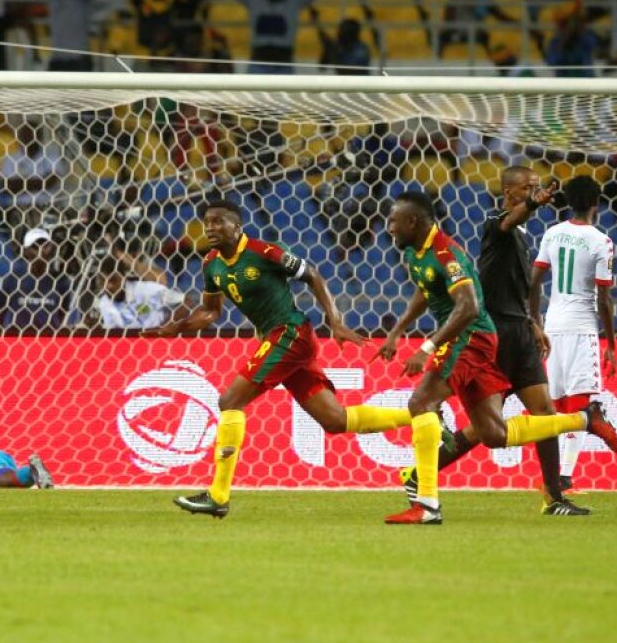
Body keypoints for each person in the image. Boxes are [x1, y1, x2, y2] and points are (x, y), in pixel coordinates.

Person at [148, 200, 420, 519]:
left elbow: (313, 275)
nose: (210, 228)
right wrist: (178, 326)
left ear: (237, 227)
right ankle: (422, 417)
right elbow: (212, 311)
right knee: (334, 420)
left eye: (218, 222)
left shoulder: (264, 252)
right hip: (277, 340)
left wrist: (335, 321)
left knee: (230, 401)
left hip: (290, 333)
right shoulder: (211, 264)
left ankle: (218, 496)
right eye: (206, 222)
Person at [374, 191, 617, 525]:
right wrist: (397, 330)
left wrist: (426, 347)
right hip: (488, 335)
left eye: (393, 221)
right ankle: (584, 419)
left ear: (412, 221)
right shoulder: (419, 254)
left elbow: (468, 307)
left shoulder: (447, 252)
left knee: (421, 403)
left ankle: (427, 504)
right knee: (492, 433)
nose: (388, 227)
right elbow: (426, 286)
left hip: (470, 337)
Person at [529, 176, 617, 491]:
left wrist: (534, 321)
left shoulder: (552, 234)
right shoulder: (601, 241)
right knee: (579, 403)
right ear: (596, 203)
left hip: (552, 326)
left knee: (553, 402)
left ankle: (554, 477)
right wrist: (611, 344)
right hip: (582, 328)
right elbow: (604, 298)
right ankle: (563, 475)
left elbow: (534, 280)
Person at [0, 228, 74, 331]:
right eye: (35, 247)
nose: (40, 250)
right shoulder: (13, 280)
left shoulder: (61, 281)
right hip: (19, 340)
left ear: (52, 248)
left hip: (49, 340)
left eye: (44, 246)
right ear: (25, 251)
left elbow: (65, 315)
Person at [94, 254, 187, 330]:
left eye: (113, 280)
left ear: (123, 277)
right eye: (102, 281)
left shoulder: (147, 290)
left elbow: (186, 301)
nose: (108, 286)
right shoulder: (104, 303)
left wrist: (166, 326)